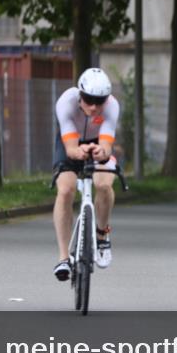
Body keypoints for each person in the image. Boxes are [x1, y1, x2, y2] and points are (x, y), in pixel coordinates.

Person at [51, 68, 120, 281]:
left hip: (99, 142)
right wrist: (76, 152)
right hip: (70, 141)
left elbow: (107, 145)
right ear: (80, 95)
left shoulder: (112, 106)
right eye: (89, 100)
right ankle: (64, 258)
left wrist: (102, 152)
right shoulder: (66, 103)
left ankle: (102, 234)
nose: (93, 107)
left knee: (104, 185)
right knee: (65, 190)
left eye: (99, 101)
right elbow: (71, 148)